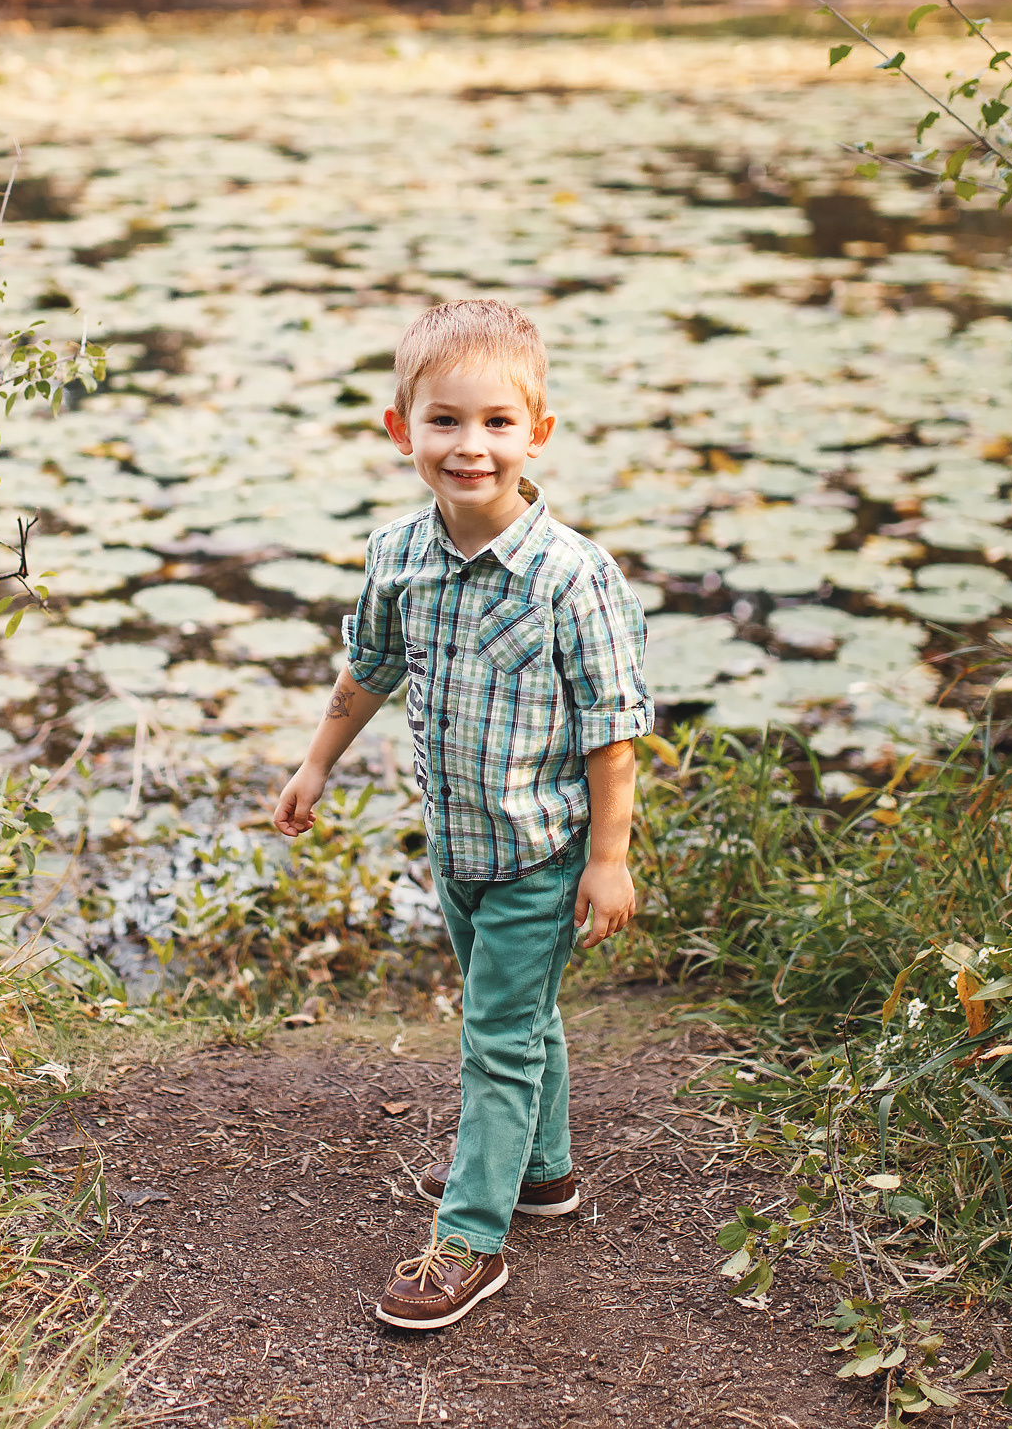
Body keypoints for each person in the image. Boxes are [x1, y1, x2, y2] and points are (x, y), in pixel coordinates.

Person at [271, 298, 652, 1332]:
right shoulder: (397, 554)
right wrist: (315, 763)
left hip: (538, 848)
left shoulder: (572, 578)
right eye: (443, 421)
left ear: (537, 434)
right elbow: (371, 669)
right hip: (458, 843)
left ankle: (469, 1239)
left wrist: (605, 861)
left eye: (494, 422)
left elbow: (612, 732)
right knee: (521, 1017)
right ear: (401, 431)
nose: (469, 445)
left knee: (492, 1035)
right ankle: (547, 1175)